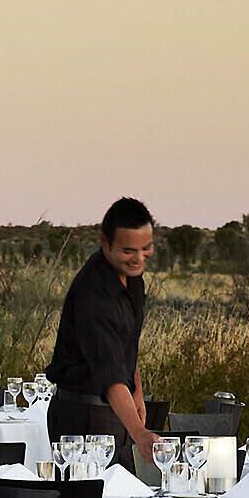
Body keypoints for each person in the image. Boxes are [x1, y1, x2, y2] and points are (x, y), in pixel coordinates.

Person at [46, 196, 157, 463]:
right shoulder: (93, 295)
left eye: (146, 248)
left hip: (116, 411)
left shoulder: (133, 279)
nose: (138, 259)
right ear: (105, 243)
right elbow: (110, 375)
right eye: (129, 250)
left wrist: (137, 395)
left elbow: (126, 346)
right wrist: (140, 433)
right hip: (82, 417)